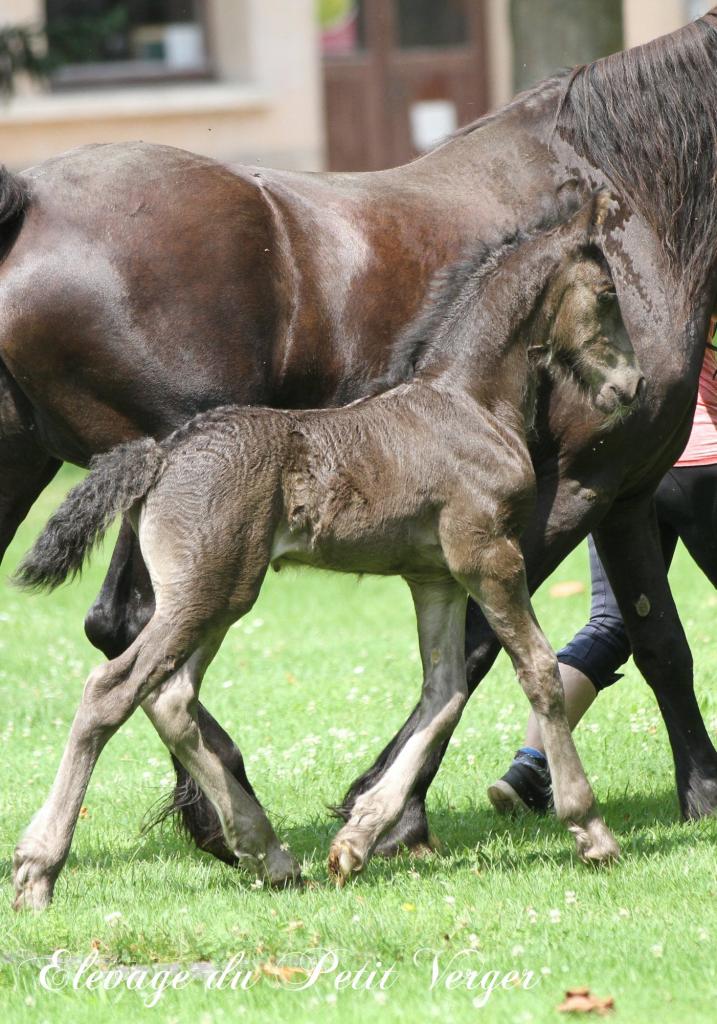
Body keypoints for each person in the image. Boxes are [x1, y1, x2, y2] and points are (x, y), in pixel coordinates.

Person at [488, 316, 717, 814]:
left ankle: (530, 768)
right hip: (701, 460)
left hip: (626, 463)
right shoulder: (693, 265)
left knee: (614, 622)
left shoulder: (624, 287)